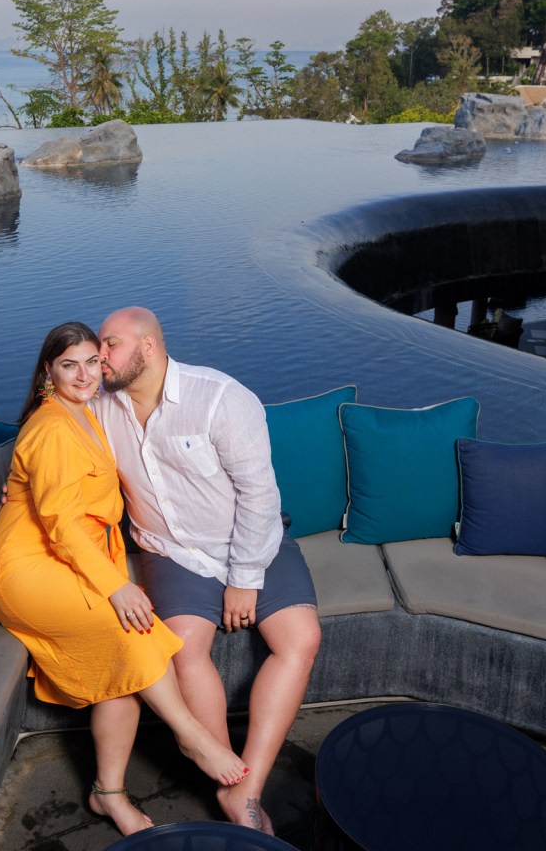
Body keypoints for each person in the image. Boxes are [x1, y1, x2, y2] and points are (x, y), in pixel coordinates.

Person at [0, 321, 249, 837]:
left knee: (120, 678)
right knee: (131, 626)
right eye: (68, 365)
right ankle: (190, 734)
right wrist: (116, 584)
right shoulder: (53, 427)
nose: (84, 374)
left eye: (91, 362)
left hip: (64, 557)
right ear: (47, 372)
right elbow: (59, 523)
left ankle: (108, 795)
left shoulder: (90, 413)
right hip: (27, 568)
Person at [93, 307, 322, 834]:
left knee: (302, 637)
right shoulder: (102, 407)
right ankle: (224, 774)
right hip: (172, 551)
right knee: (183, 645)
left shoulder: (220, 396)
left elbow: (259, 494)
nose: (99, 357)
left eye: (110, 345)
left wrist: (244, 577)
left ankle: (246, 788)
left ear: (147, 347)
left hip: (251, 537)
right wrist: (17, 485)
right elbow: (48, 431)